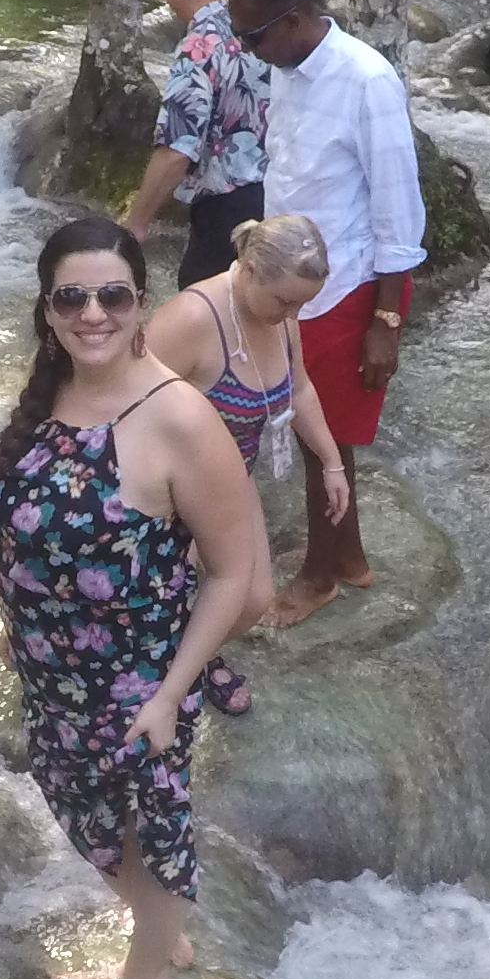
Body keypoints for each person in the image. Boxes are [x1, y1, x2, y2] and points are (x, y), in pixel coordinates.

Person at [0, 216, 271, 979]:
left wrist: (171, 693)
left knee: (148, 837)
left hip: (137, 688)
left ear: (140, 302)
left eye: (113, 297)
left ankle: (146, 977)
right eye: (73, 298)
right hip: (52, 675)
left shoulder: (180, 418)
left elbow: (240, 579)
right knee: (81, 814)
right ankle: (164, 930)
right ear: (49, 310)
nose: (94, 314)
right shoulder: (51, 393)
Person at [236, 0, 426, 625]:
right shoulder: (286, 68)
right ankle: (348, 555)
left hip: (348, 283)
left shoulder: (366, 80)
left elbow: (400, 210)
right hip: (294, 274)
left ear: (293, 20)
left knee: (321, 432)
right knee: (330, 431)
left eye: (254, 37)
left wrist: (386, 320)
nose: (249, 51)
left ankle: (317, 578)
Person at [144, 210, 352, 717]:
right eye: (284, 301)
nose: (291, 315)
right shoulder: (191, 320)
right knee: (170, 596)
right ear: (251, 268)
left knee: (253, 599)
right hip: (166, 489)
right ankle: (156, 671)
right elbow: (124, 407)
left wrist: (330, 462)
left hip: (229, 478)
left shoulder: (282, 318)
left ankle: (189, 660)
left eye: (301, 304)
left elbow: (298, 388)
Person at [121, 0, 270, 290]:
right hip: (275, 194)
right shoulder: (254, 28)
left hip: (226, 206)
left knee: (202, 309)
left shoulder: (198, 46)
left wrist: (136, 223)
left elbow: (178, 146)